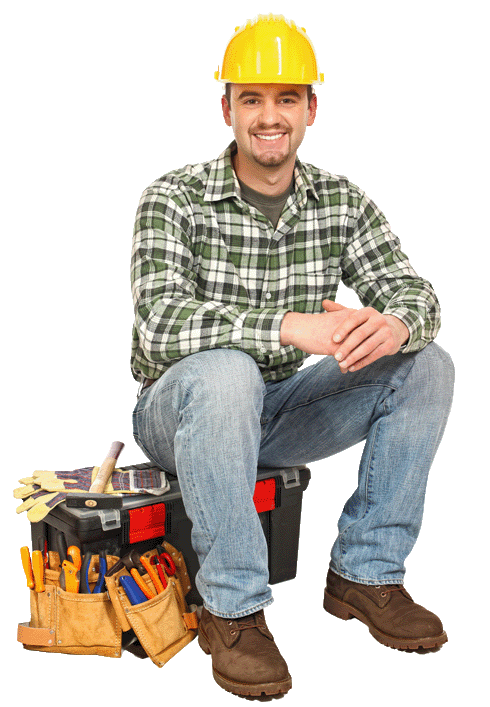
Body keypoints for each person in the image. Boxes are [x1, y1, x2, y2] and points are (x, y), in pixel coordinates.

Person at [131, 14, 454, 698]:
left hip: (278, 414)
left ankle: (366, 571)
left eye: (286, 98)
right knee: (227, 369)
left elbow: (416, 291)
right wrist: (286, 326)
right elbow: (159, 325)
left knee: (427, 363)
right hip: (180, 411)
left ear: (311, 108)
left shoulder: (340, 202)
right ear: (227, 109)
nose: (269, 116)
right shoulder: (173, 199)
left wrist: (396, 323)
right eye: (252, 99)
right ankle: (234, 609)